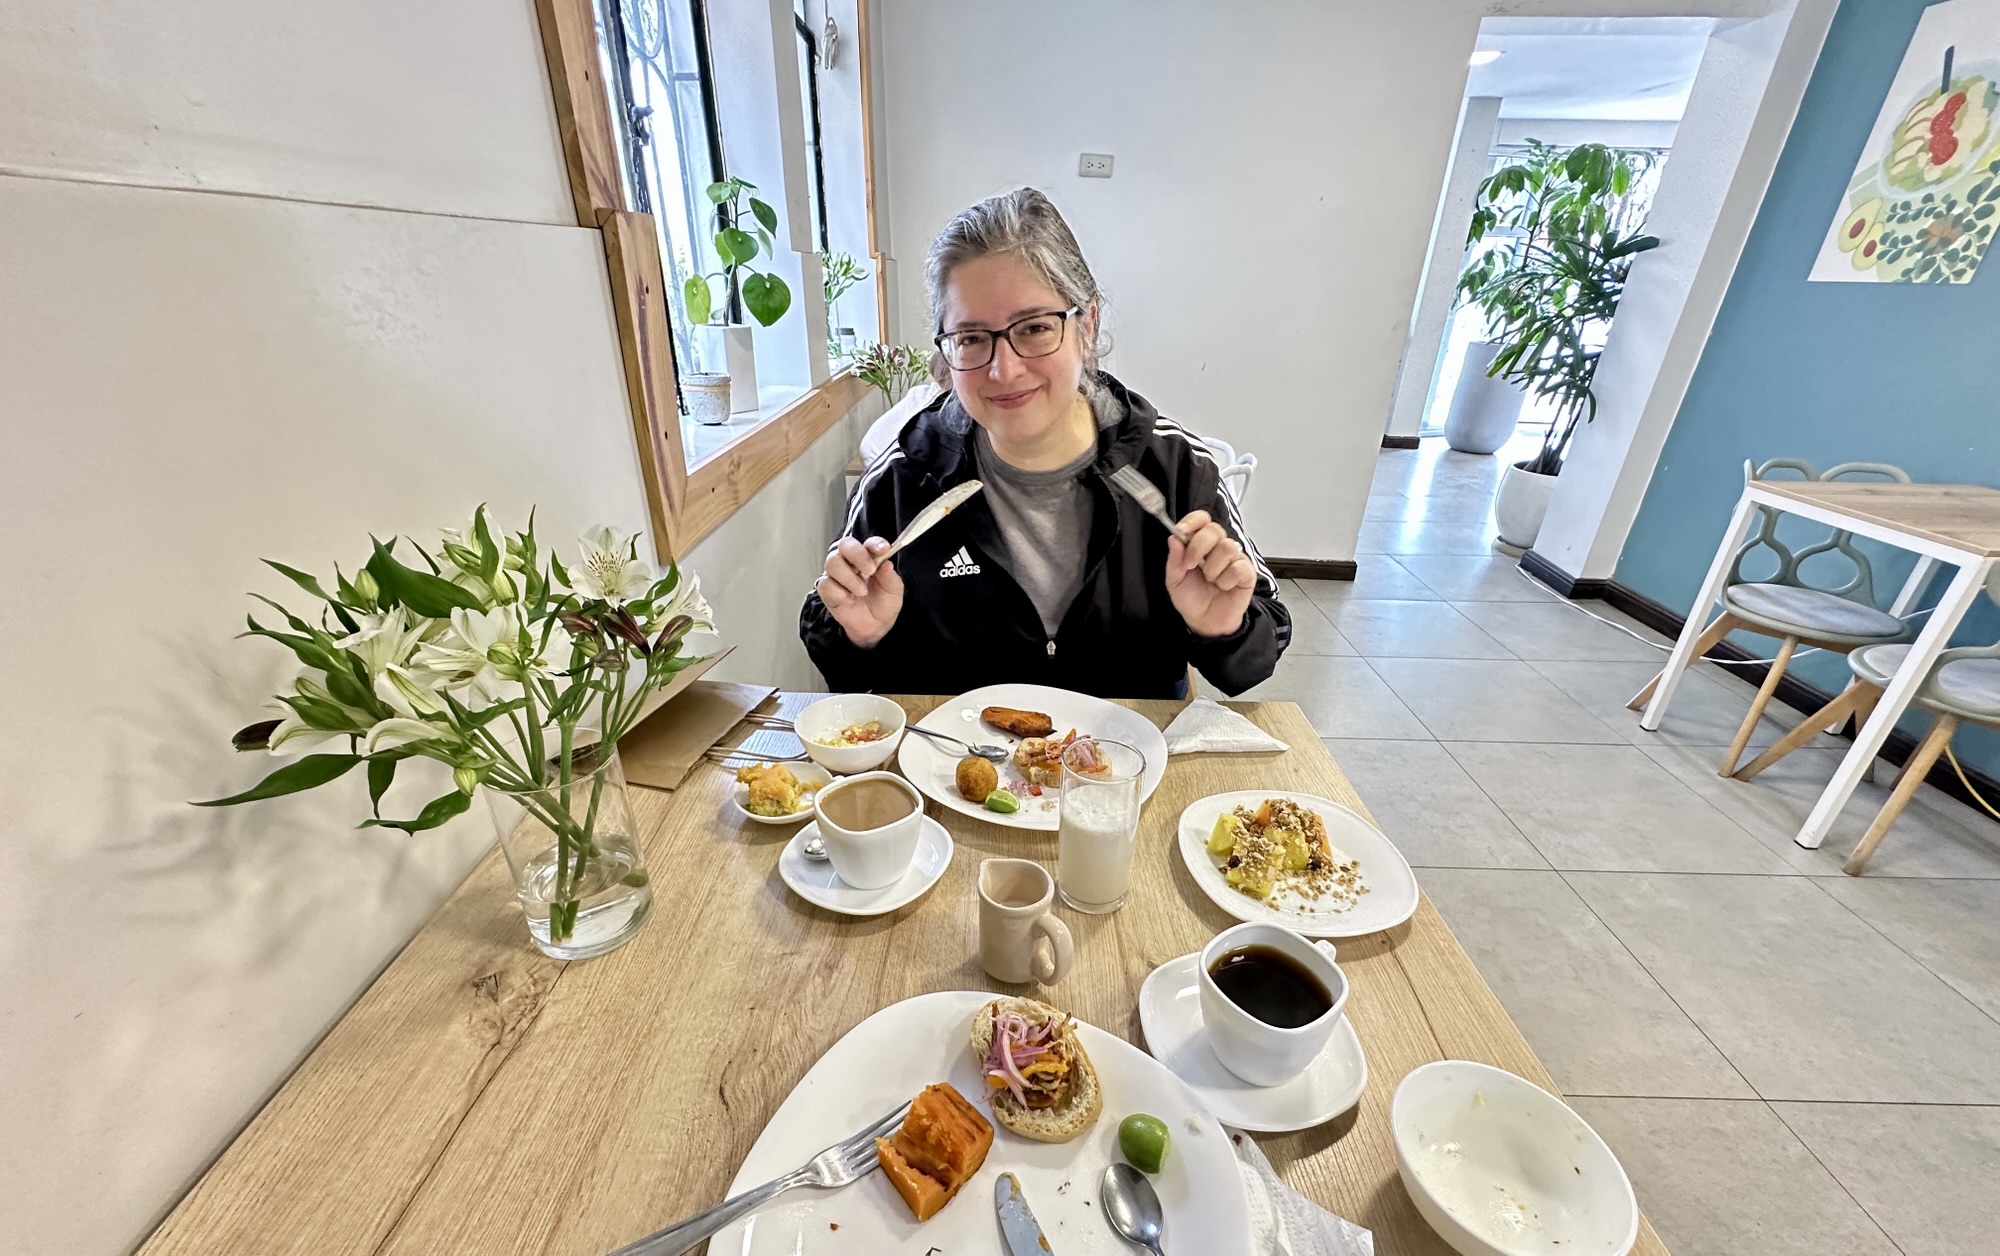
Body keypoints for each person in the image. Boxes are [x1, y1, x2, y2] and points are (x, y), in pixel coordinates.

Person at [800, 188, 1289, 699]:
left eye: (1034, 328)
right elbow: (837, 659)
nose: (1004, 369)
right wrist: (860, 638)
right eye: (972, 338)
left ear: (1087, 326)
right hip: (952, 746)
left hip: (1129, 746)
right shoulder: (904, 477)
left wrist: (1222, 630)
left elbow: (1257, 651)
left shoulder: (1174, 468)